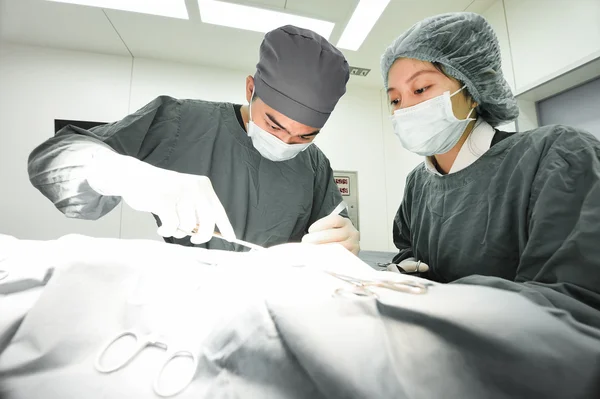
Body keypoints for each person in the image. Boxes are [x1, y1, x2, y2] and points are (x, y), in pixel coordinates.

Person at [27, 25, 360, 255]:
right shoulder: (180, 121)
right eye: (274, 124)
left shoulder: (314, 163)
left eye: (305, 135)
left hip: (276, 311)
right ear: (250, 90)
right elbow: (51, 161)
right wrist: (123, 173)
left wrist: (343, 241)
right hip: (187, 304)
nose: (287, 142)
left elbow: (334, 230)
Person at [381, 12, 600, 329]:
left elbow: (574, 303)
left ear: (470, 90)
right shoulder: (419, 182)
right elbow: (409, 247)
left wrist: (444, 303)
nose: (405, 110)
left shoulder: (558, 155)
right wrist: (406, 270)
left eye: (421, 89)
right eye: (395, 99)